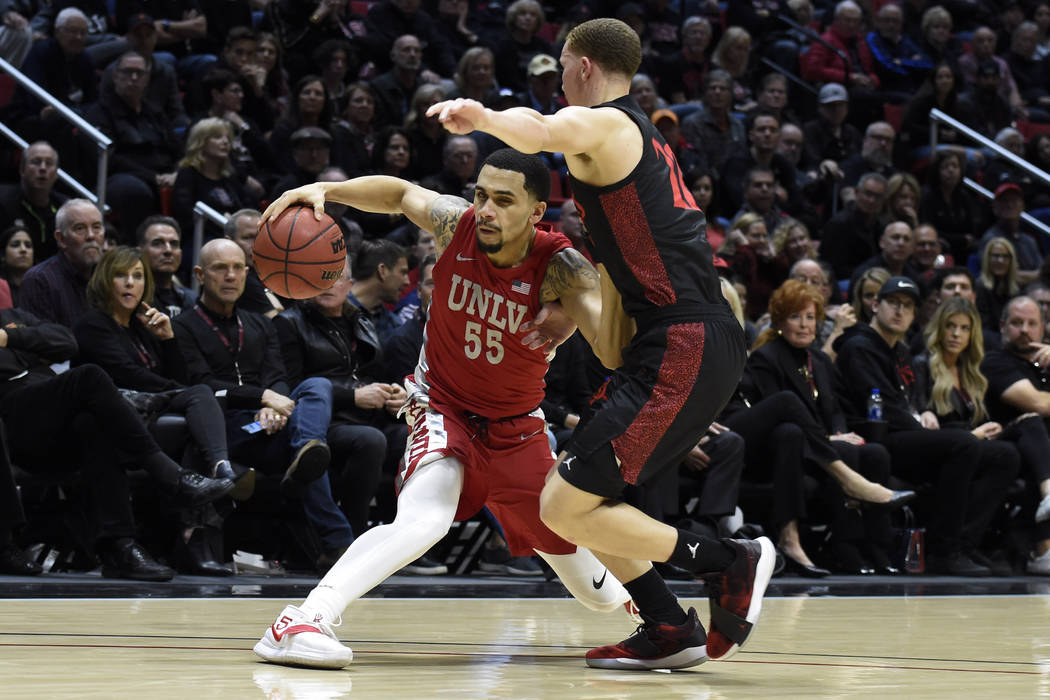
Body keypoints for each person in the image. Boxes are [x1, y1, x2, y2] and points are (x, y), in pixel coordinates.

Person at [427, 17, 776, 667]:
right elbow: (622, 267)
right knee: (584, 502)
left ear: (583, 66)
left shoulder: (609, 124)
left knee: (561, 504)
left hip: (684, 339)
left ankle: (732, 559)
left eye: (562, 68)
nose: (560, 80)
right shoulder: (627, 141)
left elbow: (541, 131)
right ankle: (668, 627)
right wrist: (575, 316)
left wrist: (481, 116)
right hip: (670, 341)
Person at [254, 148, 643, 669]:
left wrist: (585, 301)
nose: (483, 209)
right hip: (442, 409)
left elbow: (613, 347)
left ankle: (654, 614)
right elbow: (398, 193)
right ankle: (301, 620)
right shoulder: (455, 224)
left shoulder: (564, 270)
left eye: (503, 201)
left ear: (535, 212)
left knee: (594, 591)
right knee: (427, 518)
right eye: (481, 194)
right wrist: (329, 192)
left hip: (519, 430)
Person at [0, 303, 234, 581]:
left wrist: (8, 337)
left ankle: (118, 546)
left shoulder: (12, 318)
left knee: (92, 422)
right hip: (10, 416)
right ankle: (172, 477)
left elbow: (65, 342)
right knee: (90, 376)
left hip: (43, 416)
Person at [834, 276, 1018, 575]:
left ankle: (964, 545)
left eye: (907, 306)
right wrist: (922, 424)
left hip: (907, 435)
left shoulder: (900, 351)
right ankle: (943, 551)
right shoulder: (860, 347)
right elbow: (884, 408)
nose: (899, 311)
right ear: (875, 305)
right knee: (964, 443)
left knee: (1004, 455)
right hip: (878, 439)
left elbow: (907, 402)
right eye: (893, 303)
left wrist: (921, 415)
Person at [742, 280, 910, 574]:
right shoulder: (765, 358)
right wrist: (832, 436)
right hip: (784, 451)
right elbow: (776, 414)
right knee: (840, 449)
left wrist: (841, 430)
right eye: (796, 317)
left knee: (875, 452)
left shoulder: (819, 359)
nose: (805, 325)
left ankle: (877, 547)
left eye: (810, 317)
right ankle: (845, 547)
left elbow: (834, 409)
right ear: (780, 321)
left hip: (821, 444)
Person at [981, 296, 1050, 575]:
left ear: (1043, 327)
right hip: (1008, 442)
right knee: (1032, 423)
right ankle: (1044, 548)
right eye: (1017, 323)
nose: (1025, 329)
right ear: (1002, 326)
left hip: (1043, 451)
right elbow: (1038, 404)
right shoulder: (995, 361)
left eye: (1032, 323)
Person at [19, 199, 103, 327]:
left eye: (96, 227)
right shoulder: (39, 280)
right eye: (80, 228)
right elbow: (43, 341)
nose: (91, 236)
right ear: (61, 239)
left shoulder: (108, 277)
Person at [0, 141, 67, 262]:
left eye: (49, 163)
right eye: (36, 162)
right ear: (22, 169)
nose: (42, 168)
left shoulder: (65, 208)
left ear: (56, 173)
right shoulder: (3, 201)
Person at [136, 215, 195, 318]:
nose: (168, 250)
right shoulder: (131, 296)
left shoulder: (192, 299)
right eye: (157, 243)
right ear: (139, 252)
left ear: (181, 253)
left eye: (174, 244)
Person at [0, 224, 33, 308]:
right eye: (15, 245)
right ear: (3, 255)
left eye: (28, 245)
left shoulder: (42, 286)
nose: (23, 249)